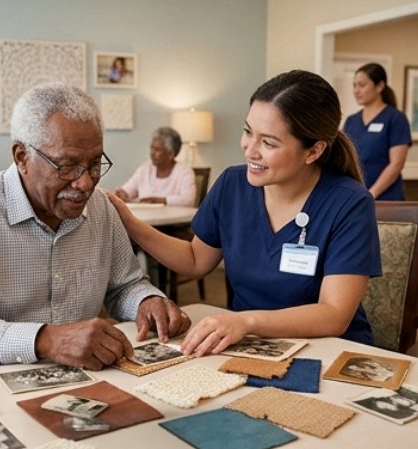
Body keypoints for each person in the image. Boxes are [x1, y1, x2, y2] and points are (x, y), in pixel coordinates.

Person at [0, 82, 190, 370]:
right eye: (66, 166)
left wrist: (146, 300)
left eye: (94, 164)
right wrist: (43, 340)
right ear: (21, 157)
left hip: (87, 378)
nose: (85, 183)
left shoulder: (101, 207)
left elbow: (124, 286)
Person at [108, 70, 382, 357]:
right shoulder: (232, 185)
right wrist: (129, 222)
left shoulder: (349, 202)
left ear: (313, 152)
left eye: (269, 143)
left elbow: (333, 314)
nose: (250, 150)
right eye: (248, 132)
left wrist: (246, 321)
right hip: (250, 347)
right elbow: (195, 259)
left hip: (327, 351)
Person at [343, 63, 412, 200]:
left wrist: (371, 193)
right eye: (354, 85)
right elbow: (346, 160)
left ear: (380, 86)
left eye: (362, 85)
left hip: (385, 198)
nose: (356, 91)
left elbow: (396, 164)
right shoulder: (351, 121)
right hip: (355, 196)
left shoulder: (396, 118)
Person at [114, 127, 196, 206]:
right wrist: (122, 193)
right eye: (152, 148)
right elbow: (128, 189)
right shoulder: (144, 169)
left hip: (173, 219)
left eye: (157, 150)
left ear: (171, 154)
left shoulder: (184, 172)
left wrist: (161, 201)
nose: (152, 153)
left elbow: (188, 200)